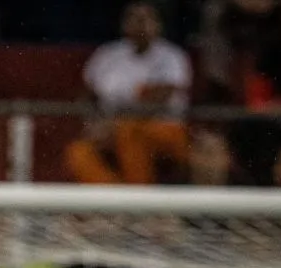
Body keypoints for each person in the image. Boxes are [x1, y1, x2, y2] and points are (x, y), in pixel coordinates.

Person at [65, 2, 191, 186]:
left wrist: (114, 124)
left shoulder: (172, 56)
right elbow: (87, 96)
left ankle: (139, 203)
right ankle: (116, 202)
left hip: (164, 128)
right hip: (110, 127)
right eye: (133, 18)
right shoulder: (107, 55)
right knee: (78, 152)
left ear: (159, 24)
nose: (140, 24)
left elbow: (159, 101)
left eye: (146, 18)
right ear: (123, 23)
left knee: (129, 132)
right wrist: (92, 123)